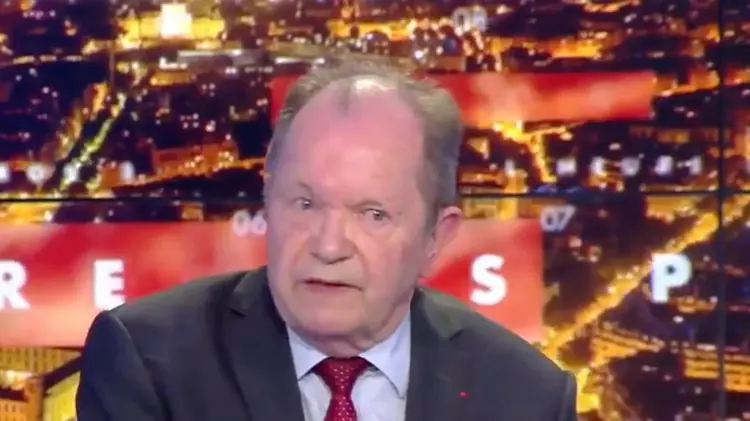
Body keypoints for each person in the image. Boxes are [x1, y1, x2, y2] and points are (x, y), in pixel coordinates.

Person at [76, 61, 578, 421]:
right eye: (304, 203)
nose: (329, 245)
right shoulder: (147, 364)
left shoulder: (526, 397)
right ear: (267, 201)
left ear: (436, 236)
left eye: (373, 214)